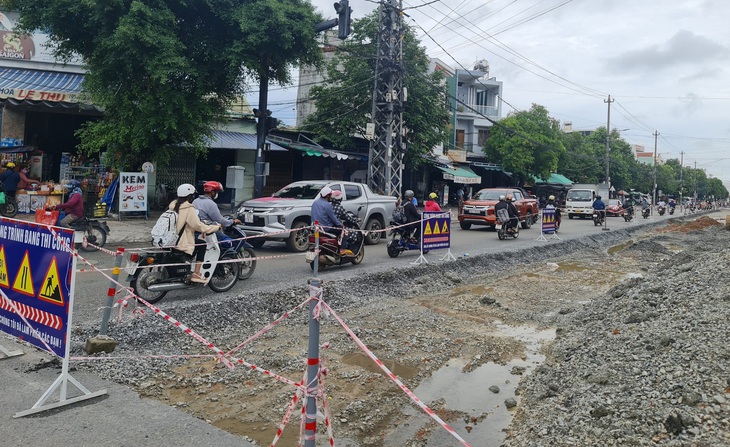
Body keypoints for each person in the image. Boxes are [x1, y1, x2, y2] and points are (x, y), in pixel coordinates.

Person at [172, 183, 221, 284]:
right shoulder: (188, 208)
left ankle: (187, 263)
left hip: (170, 239)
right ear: (189, 196)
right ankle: (197, 273)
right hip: (181, 240)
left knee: (196, 242)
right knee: (202, 245)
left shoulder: (173, 206)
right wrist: (215, 227)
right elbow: (198, 225)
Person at [311, 186, 351, 256]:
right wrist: (341, 225)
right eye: (330, 195)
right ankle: (342, 249)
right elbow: (334, 219)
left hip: (315, 227)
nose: (331, 197)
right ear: (327, 196)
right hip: (326, 228)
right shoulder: (327, 205)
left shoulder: (315, 203)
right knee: (344, 231)